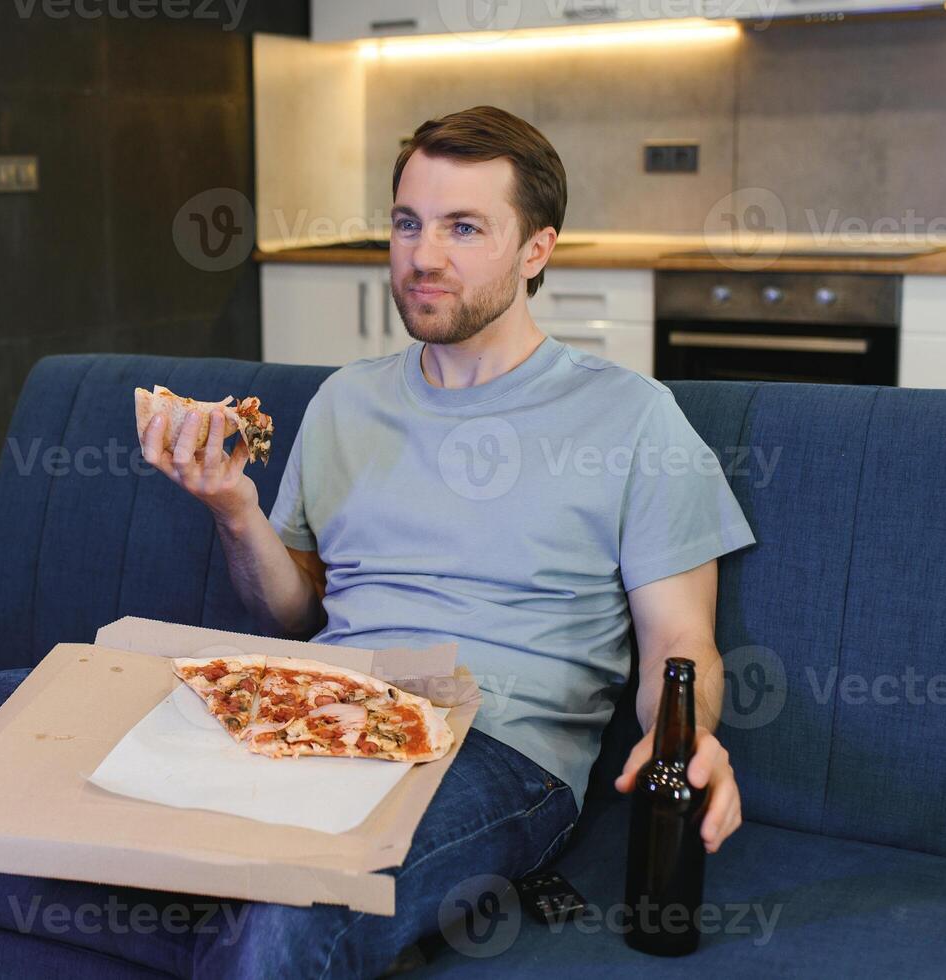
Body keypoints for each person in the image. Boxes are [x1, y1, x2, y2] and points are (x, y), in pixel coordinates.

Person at [141, 105, 755, 978]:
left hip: (496, 749)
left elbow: (680, 645)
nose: (423, 257)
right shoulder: (345, 401)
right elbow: (290, 611)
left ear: (536, 250)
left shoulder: (632, 416)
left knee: (290, 913)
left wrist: (685, 738)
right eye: (407, 223)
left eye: (463, 227)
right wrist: (234, 508)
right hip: (319, 710)